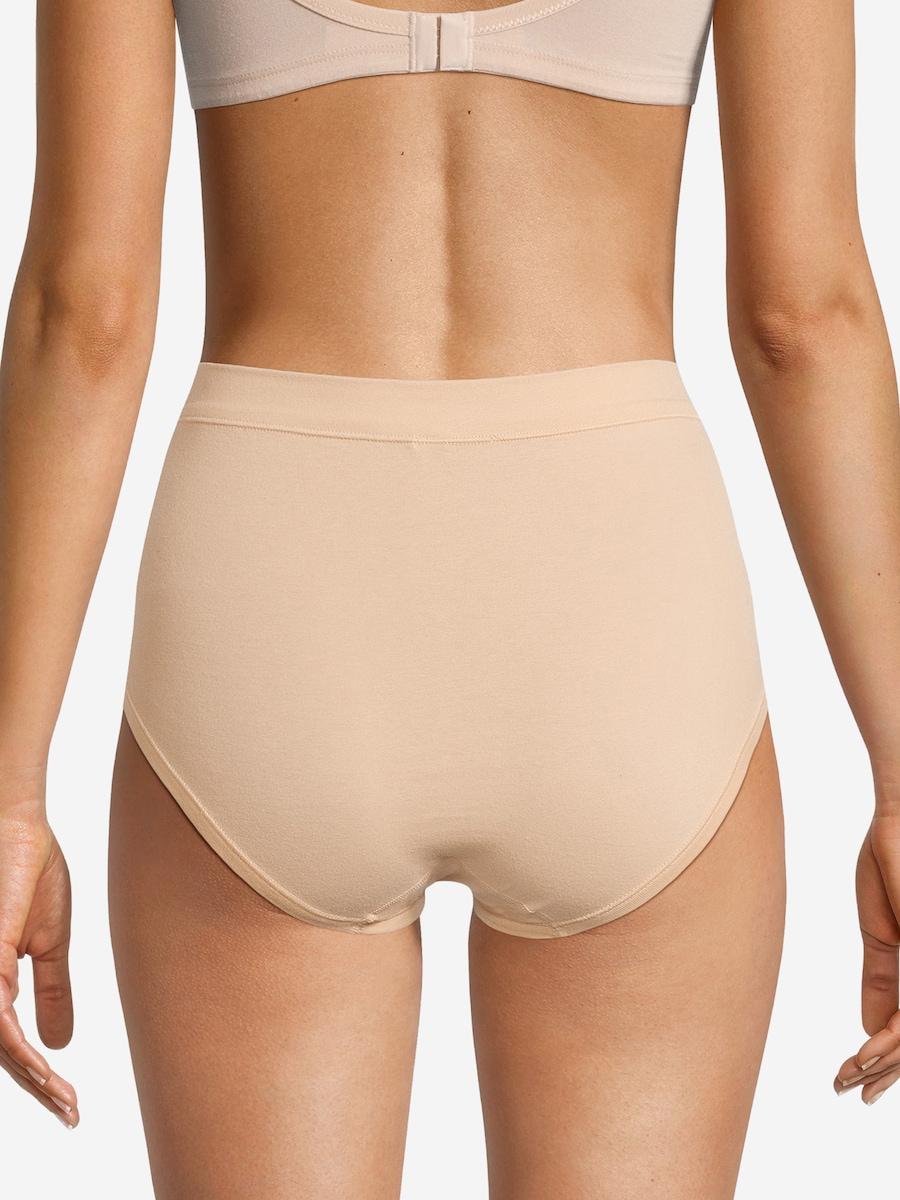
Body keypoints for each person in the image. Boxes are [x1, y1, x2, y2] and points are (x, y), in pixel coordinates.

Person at [1, 0, 898, 1195]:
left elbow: (84, 316)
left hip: (271, 613)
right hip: (622, 607)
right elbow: (803, 320)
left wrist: (10, 794)